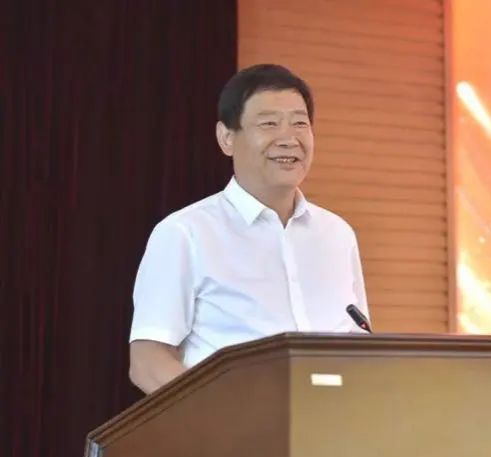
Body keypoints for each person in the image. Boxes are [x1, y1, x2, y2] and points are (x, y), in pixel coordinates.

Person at [128, 64, 369, 394]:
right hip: (235, 422)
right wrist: (228, 413)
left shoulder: (338, 234)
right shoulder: (185, 233)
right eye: (269, 124)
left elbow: (359, 343)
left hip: (334, 419)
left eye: (300, 123)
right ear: (226, 138)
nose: (289, 139)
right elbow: (148, 363)